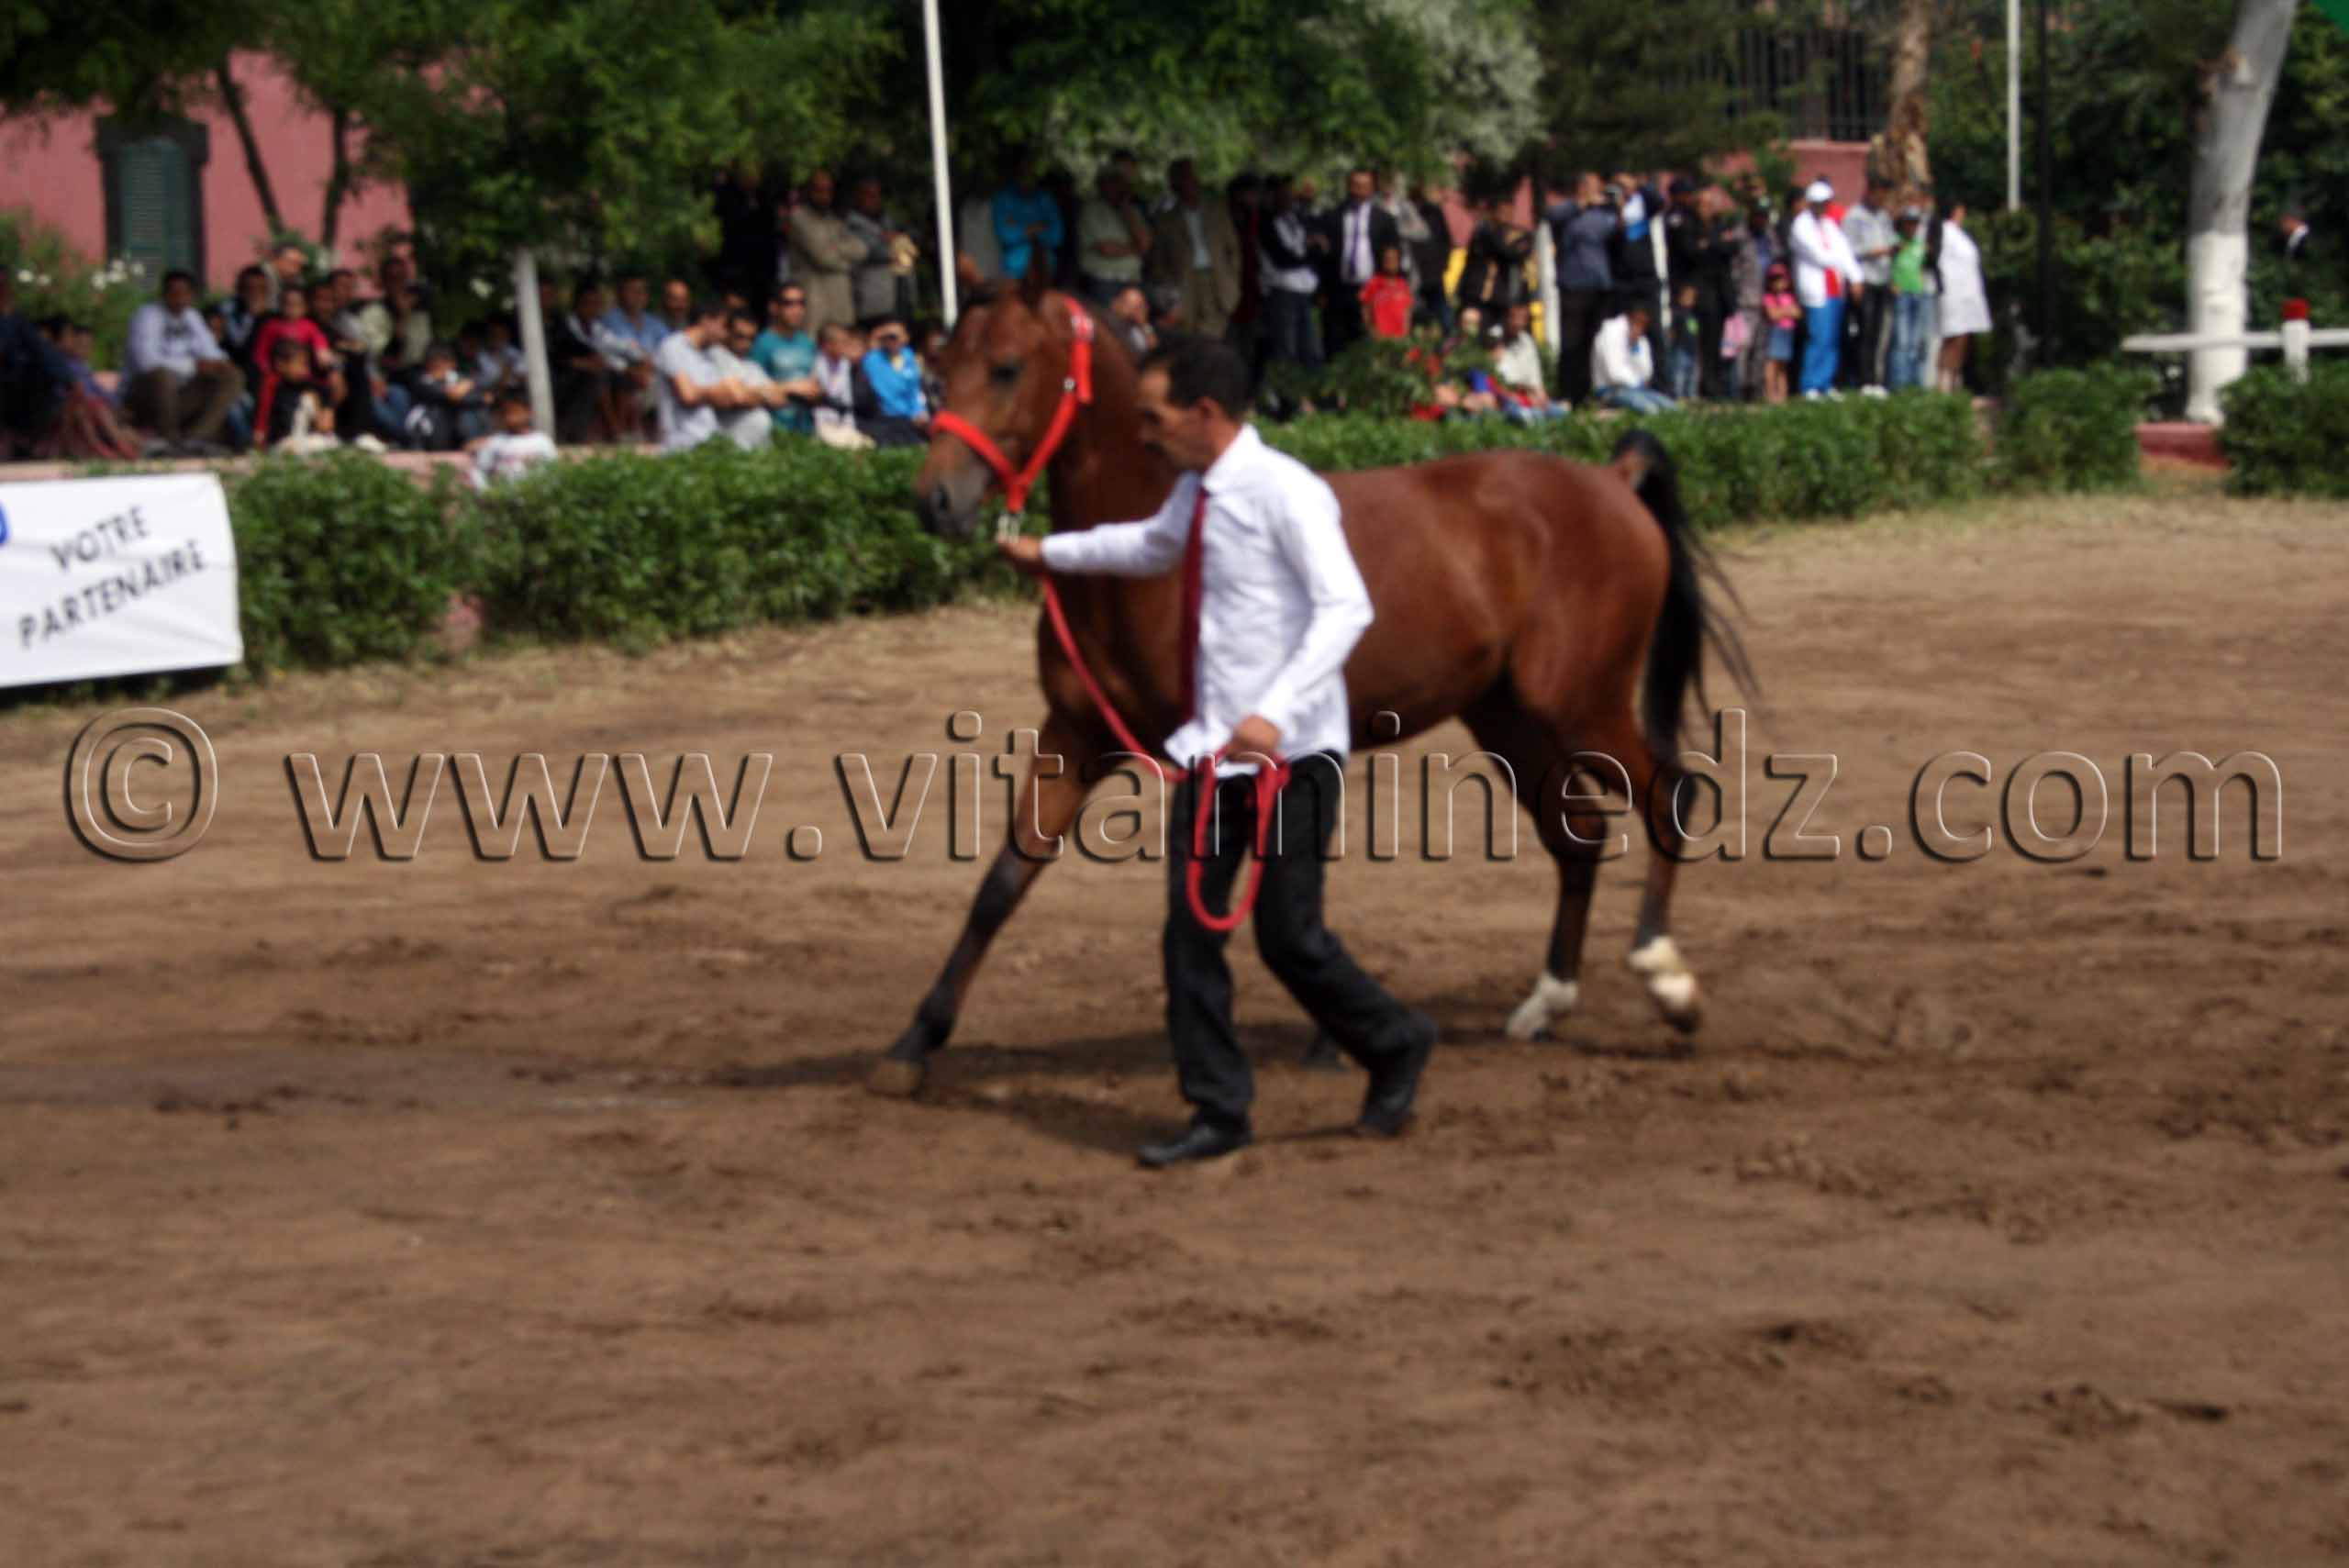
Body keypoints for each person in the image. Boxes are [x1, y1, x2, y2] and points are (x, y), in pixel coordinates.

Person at [993, 337, 1439, 1167]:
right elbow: (1149, 548)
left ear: (1204, 414)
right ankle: (1218, 1109)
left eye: (1154, 417)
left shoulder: (1287, 493)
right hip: (1210, 755)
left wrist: (1272, 713)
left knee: (1289, 938)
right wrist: (1048, 554)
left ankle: (1395, 1041)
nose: (1143, 433)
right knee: (1188, 936)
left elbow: (1346, 609)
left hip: (1292, 757)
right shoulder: (1196, 490)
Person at [123, 269, 247, 453]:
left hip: (182, 396)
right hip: (146, 396)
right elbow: (146, 362)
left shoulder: (192, 317)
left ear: (191, 295)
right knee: (163, 376)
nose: (179, 298)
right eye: (174, 292)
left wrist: (220, 363)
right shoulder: (147, 316)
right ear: (164, 294)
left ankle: (196, 439)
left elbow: (210, 351)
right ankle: (168, 440)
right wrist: (193, 366)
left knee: (232, 375)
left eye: (184, 293)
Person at [1787, 180, 1861, 398]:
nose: (1823, 206)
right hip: (1816, 290)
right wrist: (1839, 260)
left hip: (1834, 288)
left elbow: (1845, 251)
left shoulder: (1829, 225)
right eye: (1819, 202)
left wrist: (1856, 277)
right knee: (1818, 337)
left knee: (1832, 338)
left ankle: (1826, 382)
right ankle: (1810, 383)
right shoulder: (1801, 224)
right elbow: (1819, 255)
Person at [651, 297, 751, 451]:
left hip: (710, 440)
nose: (726, 334)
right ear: (706, 320)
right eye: (724, 326)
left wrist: (724, 391)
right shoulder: (673, 346)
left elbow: (730, 396)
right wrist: (721, 390)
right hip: (681, 443)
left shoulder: (710, 354)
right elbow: (688, 395)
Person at [1842, 174, 1898, 392]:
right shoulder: (1854, 216)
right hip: (1864, 279)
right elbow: (1849, 251)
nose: (1882, 198)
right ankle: (1862, 380)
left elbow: (1891, 240)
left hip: (1882, 279)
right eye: (1880, 193)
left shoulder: (1883, 216)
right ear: (1870, 192)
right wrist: (1878, 251)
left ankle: (1876, 380)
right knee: (1864, 332)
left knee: (1877, 332)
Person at [1933, 201, 1989, 395]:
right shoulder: (1945, 232)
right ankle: (1944, 382)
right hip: (1953, 292)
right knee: (1951, 338)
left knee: (1963, 339)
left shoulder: (1960, 235)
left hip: (1968, 293)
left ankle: (1956, 379)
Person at [749, 285, 820, 435]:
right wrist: (790, 387)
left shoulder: (807, 342)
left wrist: (817, 391)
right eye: (789, 304)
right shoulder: (761, 343)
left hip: (807, 427)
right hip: (775, 428)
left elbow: (814, 380)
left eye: (801, 304)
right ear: (774, 308)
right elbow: (751, 387)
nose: (797, 310)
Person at [854, 313, 929, 449]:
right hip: (883, 420)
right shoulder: (872, 359)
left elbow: (914, 390)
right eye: (887, 337)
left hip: (908, 419)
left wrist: (919, 411)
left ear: (906, 337)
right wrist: (875, 337)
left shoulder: (909, 358)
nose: (890, 340)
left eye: (894, 336)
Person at [1590, 303, 1675, 414]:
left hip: (1635, 389)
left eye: (1643, 324)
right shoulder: (1611, 333)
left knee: (1671, 408)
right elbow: (1614, 373)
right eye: (1637, 322)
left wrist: (1635, 350)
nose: (1639, 327)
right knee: (1650, 409)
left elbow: (1646, 373)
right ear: (1629, 318)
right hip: (1610, 389)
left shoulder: (1640, 340)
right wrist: (1636, 382)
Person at [467, 389, 559, 490]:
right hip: (504, 498)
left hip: (536, 496)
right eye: (508, 413)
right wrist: (487, 493)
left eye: (517, 412)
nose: (512, 417)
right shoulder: (496, 442)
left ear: (529, 412)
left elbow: (553, 470)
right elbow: (478, 471)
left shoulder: (542, 441)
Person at [1887, 209, 1936, 392]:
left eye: (1915, 223)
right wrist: (1892, 282)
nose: (1912, 227)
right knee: (1902, 341)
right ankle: (1899, 384)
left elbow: (1924, 265)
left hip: (1918, 293)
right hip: (1902, 294)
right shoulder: (1896, 242)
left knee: (1917, 341)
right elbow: (1888, 264)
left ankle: (1915, 383)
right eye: (1909, 222)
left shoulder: (1920, 244)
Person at [1761, 264, 1799, 405]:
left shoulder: (1790, 296)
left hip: (1787, 332)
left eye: (1781, 280)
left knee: (1783, 366)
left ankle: (1782, 394)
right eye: (1774, 280)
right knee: (1772, 364)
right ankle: (1770, 393)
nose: (1778, 284)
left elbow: (1798, 313)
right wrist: (1787, 310)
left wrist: (1782, 311)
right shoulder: (1768, 298)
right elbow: (1773, 315)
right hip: (1776, 332)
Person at [1359, 245, 1416, 340]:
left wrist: (1405, 334)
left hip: (1399, 339)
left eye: (1394, 259)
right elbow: (1365, 310)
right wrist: (1372, 331)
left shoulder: (1403, 284)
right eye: (1387, 259)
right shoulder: (1373, 283)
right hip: (1380, 339)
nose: (1391, 263)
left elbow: (1407, 312)